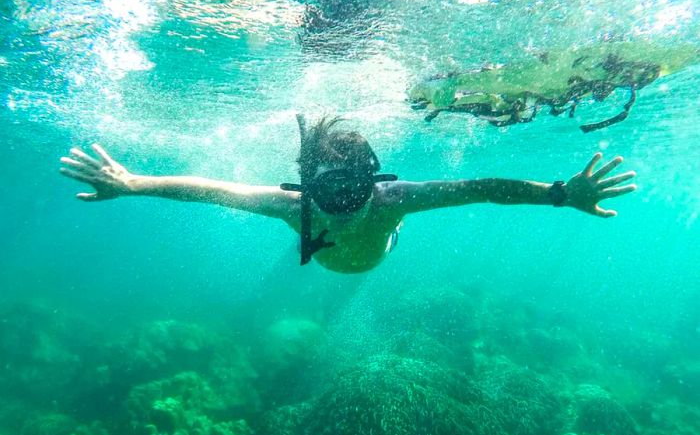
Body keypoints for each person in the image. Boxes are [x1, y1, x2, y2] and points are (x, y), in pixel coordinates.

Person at [60, 115, 636, 274]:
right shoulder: (293, 206)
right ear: (306, 186)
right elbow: (208, 190)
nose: (345, 198)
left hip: (381, 245)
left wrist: (560, 192)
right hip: (332, 256)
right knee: (314, 239)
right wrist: (132, 183)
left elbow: (483, 188)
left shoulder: (394, 199)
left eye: (356, 186)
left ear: (376, 180)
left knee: (387, 223)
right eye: (329, 188)